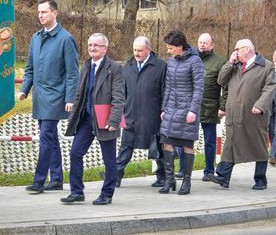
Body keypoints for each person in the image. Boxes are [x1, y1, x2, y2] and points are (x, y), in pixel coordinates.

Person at [18, 0, 79, 194]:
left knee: (45, 137)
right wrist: (24, 89)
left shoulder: (66, 39)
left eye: (44, 12)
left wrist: (70, 98)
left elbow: (72, 73)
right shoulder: (35, 38)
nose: (40, 16)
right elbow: (29, 68)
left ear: (55, 13)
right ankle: (57, 179)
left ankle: (39, 180)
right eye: (39, 13)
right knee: (50, 138)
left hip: (55, 98)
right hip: (39, 97)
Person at [61, 33, 124, 205]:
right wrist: (74, 111)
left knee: (109, 159)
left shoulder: (114, 68)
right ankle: (76, 192)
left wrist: (114, 120)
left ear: (105, 48)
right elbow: (80, 93)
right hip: (86, 119)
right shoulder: (86, 65)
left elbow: (119, 97)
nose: (92, 48)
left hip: (105, 119)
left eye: (96, 45)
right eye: (90, 45)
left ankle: (107, 194)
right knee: (75, 153)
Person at [208, 39, 276, 190]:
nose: (235, 52)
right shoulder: (235, 65)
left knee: (258, 146)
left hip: (254, 115)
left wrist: (260, 105)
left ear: (247, 50)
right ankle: (223, 177)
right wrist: (229, 63)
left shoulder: (266, 66)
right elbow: (221, 80)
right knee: (230, 143)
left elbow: (270, 88)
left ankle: (260, 180)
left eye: (237, 49)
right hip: (234, 113)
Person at [116, 36, 166, 187]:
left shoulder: (160, 66)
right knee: (126, 145)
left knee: (157, 148)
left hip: (152, 115)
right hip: (131, 113)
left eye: (140, 50)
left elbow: (165, 91)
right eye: (134, 50)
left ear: (149, 50)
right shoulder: (128, 66)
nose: (136, 53)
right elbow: (122, 91)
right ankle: (116, 175)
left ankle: (162, 177)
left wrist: (164, 110)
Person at [159, 31, 204, 195]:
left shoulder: (195, 61)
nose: (168, 51)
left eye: (171, 48)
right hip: (171, 108)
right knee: (166, 141)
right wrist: (164, 108)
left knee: (186, 144)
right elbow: (168, 86)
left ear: (180, 47)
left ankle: (187, 181)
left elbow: (199, 88)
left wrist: (193, 110)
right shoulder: (171, 61)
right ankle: (170, 179)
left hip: (187, 110)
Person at [197, 33, 227, 181]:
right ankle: (183, 170)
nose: (202, 44)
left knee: (210, 141)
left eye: (205, 42)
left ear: (212, 45)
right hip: (191, 107)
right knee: (183, 140)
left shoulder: (220, 62)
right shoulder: (191, 59)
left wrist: (222, 107)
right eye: (200, 42)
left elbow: (226, 87)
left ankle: (209, 170)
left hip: (210, 107)